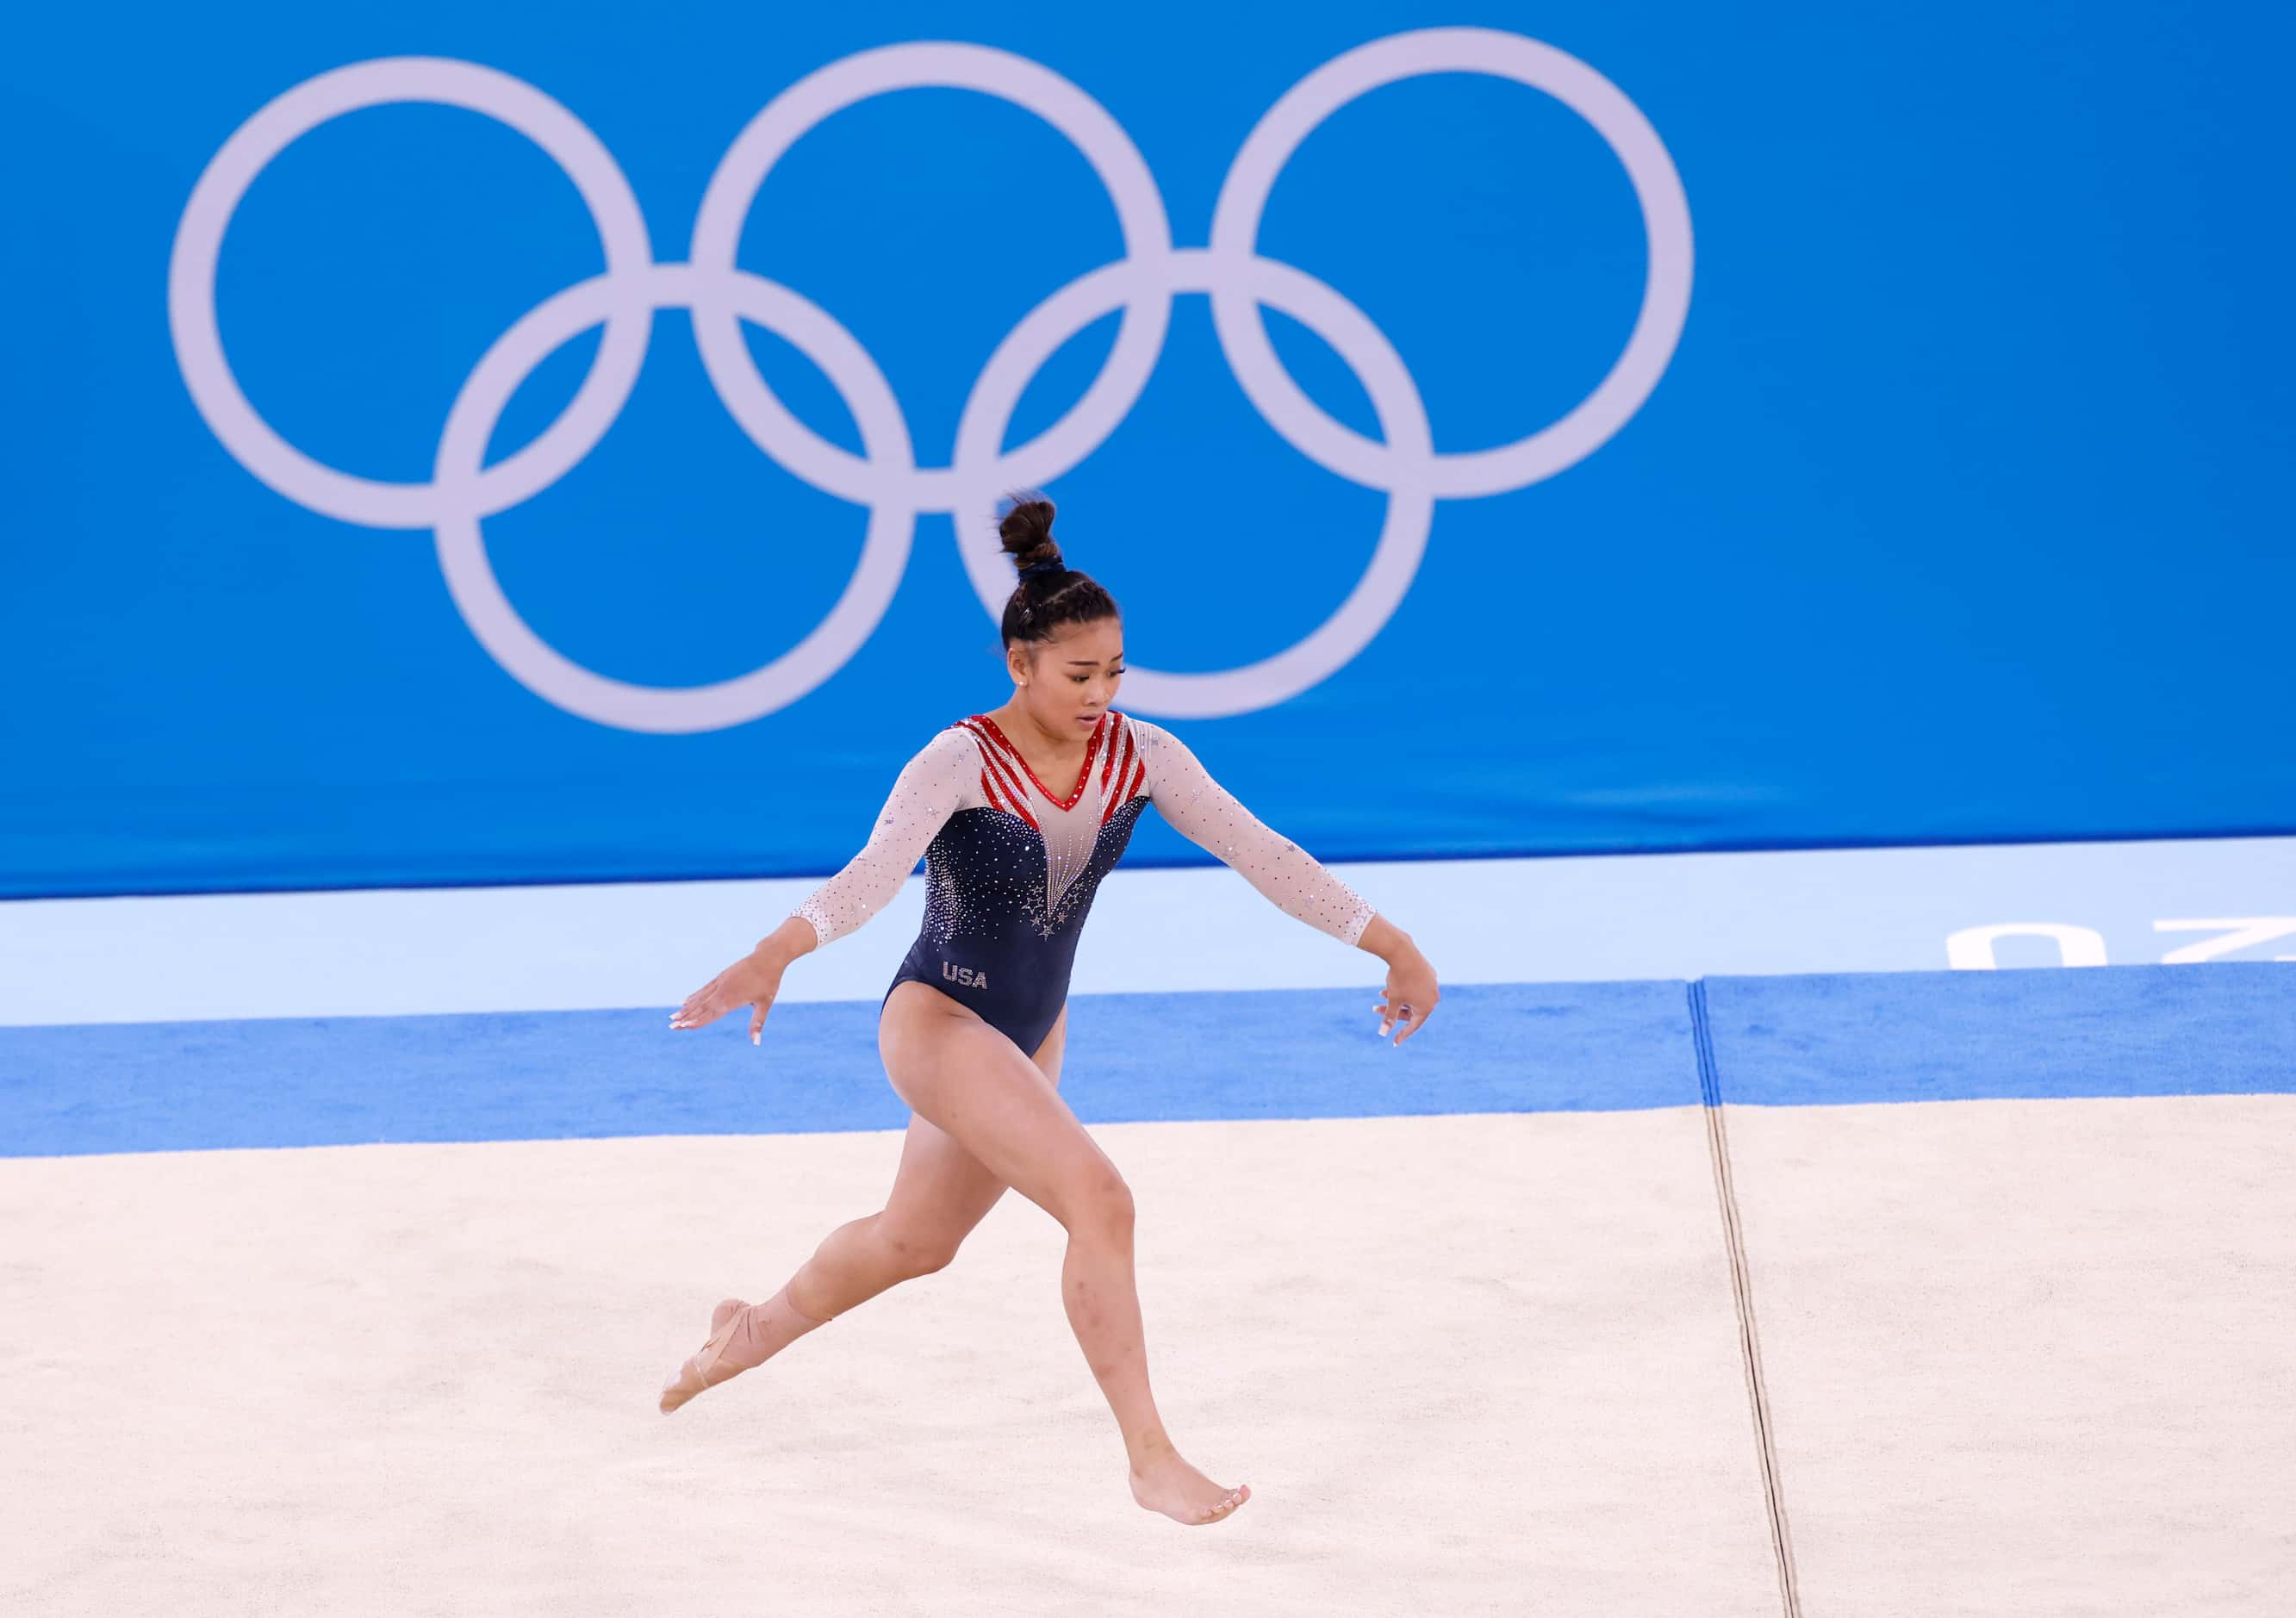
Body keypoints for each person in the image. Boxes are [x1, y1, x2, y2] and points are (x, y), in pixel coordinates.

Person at [663, 493, 1441, 1527]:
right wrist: (775, 952)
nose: (1101, 693)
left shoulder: (1142, 757)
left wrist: (1386, 940)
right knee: (1100, 1199)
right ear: (1017, 664)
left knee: (915, 1241)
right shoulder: (960, 760)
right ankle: (1150, 1459)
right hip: (938, 1022)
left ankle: (745, 1331)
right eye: (1080, 674)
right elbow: (869, 876)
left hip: (1031, 1029)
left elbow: (1260, 852)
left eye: (1116, 671)